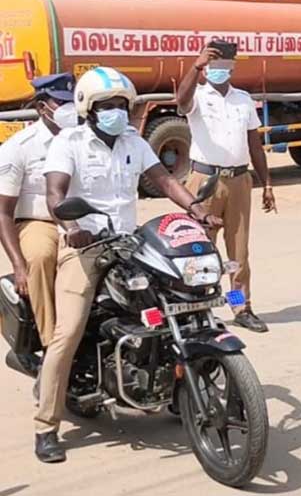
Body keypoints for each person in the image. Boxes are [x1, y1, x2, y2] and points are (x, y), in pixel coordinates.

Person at [34, 67, 221, 463]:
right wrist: (71, 227)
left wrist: (196, 209)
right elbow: (55, 194)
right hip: (85, 246)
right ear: (89, 109)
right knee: (67, 333)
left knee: (176, 303)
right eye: (107, 106)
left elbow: (164, 180)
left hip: (129, 241)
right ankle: (47, 425)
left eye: (121, 105)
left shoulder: (135, 142)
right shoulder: (69, 142)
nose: (116, 111)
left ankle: (176, 387)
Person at [176, 44, 276, 333]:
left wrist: (267, 182)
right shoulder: (197, 96)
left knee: (238, 254)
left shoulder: (243, 100)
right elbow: (181, 101)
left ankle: (240, 305)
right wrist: (195, 67)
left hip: (239, 182)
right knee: (200, 249)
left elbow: (254, 145)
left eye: (223, 65)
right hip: (205, 182)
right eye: (212, 65)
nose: (217, 70)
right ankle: (199, 308)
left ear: (232, 67)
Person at [0, 74, 76, 359]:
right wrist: (18, 264)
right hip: (38, 222)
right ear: (43, 106)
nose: (69, 109)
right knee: (41, 258)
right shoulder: (18, 148)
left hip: (82, 221)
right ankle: (52, 347)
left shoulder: (83, 138)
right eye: (61, 103)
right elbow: (3, 211)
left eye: (72, 102)